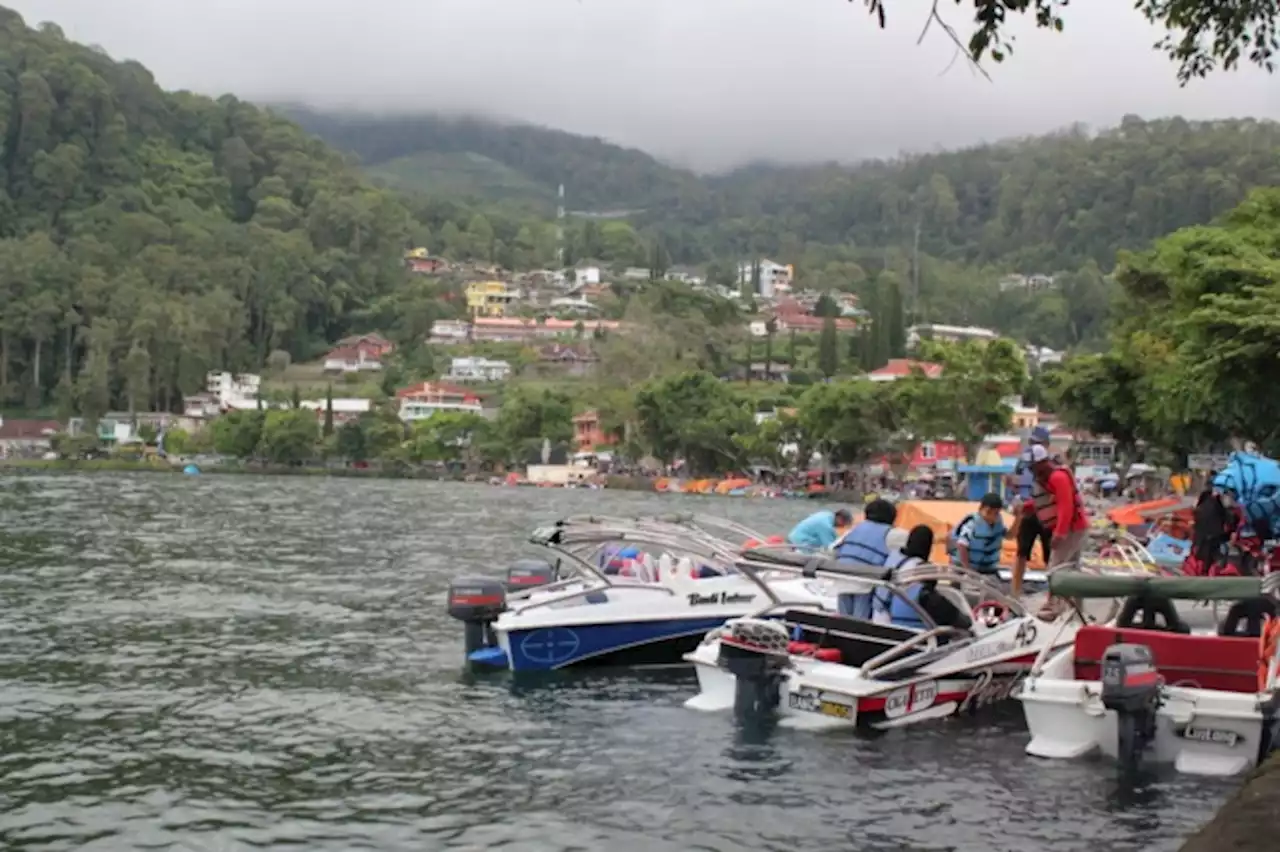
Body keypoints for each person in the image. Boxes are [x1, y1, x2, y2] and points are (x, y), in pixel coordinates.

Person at [1025, 444, 1090, 617]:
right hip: (1077, 528)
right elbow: (1049, 501)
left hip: (1072, 530)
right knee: (1073, 570)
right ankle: (1076, 611)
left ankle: (1053, 608)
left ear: (1041, 463)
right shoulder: (1051, 479)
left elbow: (1065, 506)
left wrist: (1060, 533)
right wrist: (1027, 507)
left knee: (1056, 568)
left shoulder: (1058, 478)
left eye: (1033, 466)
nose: (1032, 470)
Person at [1011, 427, 1054, 596]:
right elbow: (1014, 484)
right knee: (1021, 552)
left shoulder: (1051, 465)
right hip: (1026, 512)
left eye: (1038, 443)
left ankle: (1053, 593)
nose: (1034, 446)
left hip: (1046, 513)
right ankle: (1015, 592)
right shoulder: (1022, 462)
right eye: (1032, 442)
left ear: (1047, 444)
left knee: (1050, 556)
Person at [950, 492, 1019, 576]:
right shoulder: (972, 523)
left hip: (988, 567)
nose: (991, 516)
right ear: (980, 509)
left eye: (995, 513)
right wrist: (967, 569)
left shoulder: (998, 523)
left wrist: (1018, 518)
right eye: (988, 512)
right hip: (965, 567)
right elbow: (962, 545)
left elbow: (1009, 536)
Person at [834, 499, 897, 566]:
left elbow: (832, 549)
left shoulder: (853, 530)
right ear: (893, 518)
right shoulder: (893, 534)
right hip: (868, 574)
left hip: (839, 570)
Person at [787, 507, 854, 551]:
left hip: (794, 538)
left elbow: (831, 537)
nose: (843, 526)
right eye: (844, 524)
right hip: (798, 545)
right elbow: (829, 548)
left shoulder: (826, 514)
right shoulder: (825, 525)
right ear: (839, 519)